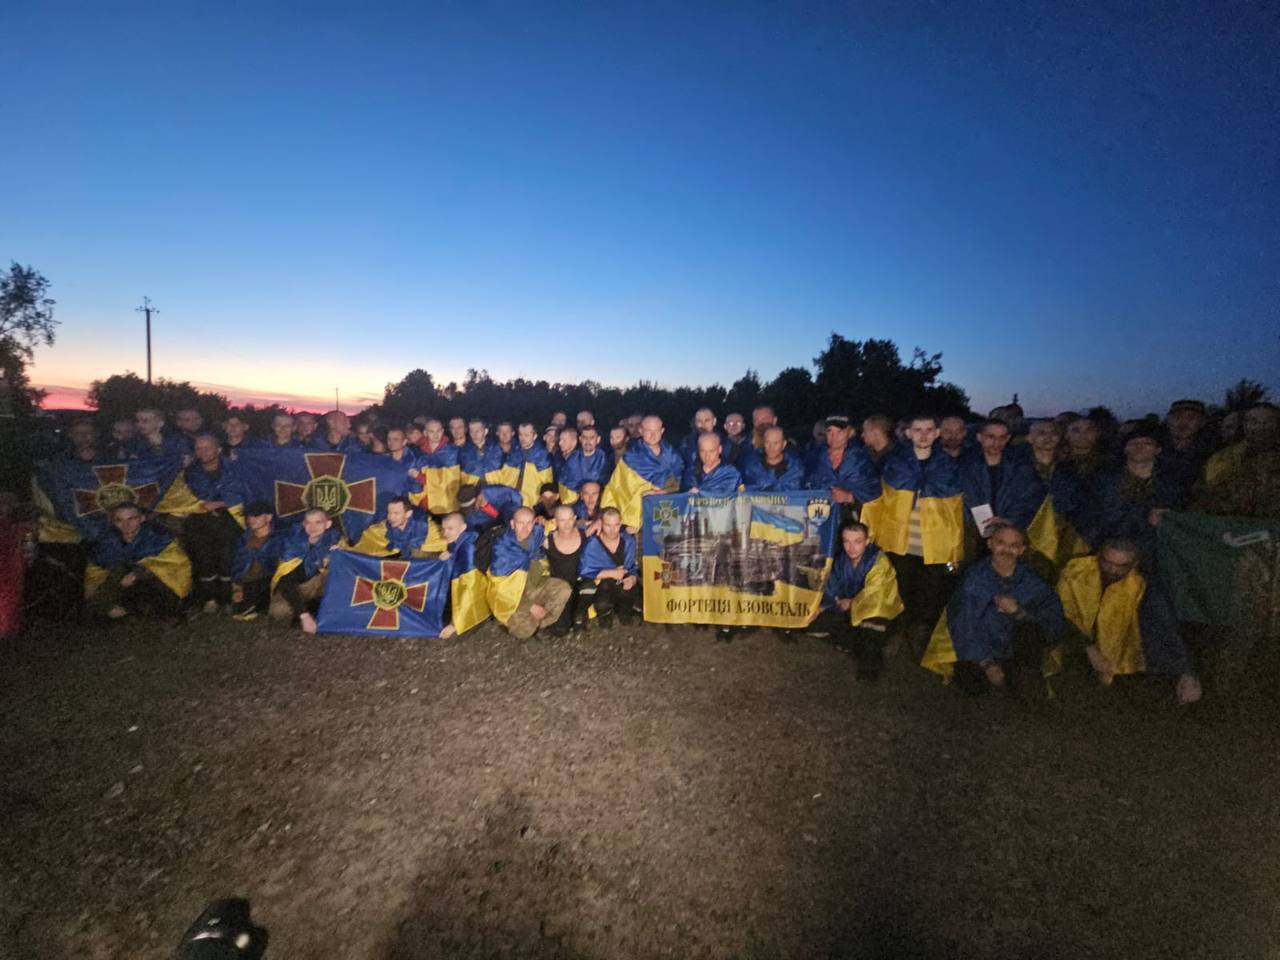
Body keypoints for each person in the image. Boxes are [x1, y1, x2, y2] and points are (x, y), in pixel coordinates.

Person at [921, 523, 1066, 694]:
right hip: (981, 644)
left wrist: (1018, 612)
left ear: (1022, 550)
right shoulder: (974, 578)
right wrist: (986, 663)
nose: (1006, 550)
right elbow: (963, 623)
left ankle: (1024, 675)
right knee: (972, 683)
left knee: (1030, 637)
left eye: (1014, 545)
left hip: (1013, 643)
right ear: (990, 544)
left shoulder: (1031, 579)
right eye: (1001, 543)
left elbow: (1052, 615)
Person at [862, 414, 964, 652]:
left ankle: (919, 639)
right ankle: (896, 635)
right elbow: (878, 502)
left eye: (929, 430)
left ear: (937, 434)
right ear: (908, 433)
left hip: (934, 546)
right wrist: (872, 535)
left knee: (928, 596)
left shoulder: (948, 467)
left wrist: (954, 549)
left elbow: (955, 512)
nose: (923, 435)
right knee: (897, 592)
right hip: (899, 543)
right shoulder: (894, 463)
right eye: (918, 430)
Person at [1057, 539, 1202, 705]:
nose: (1112, 570)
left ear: (1134, 564)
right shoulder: (1075, 572)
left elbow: (1164, 628)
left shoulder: (1141, 587)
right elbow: (1060, 614)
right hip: (1071, 649)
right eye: (1107, 562)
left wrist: (1187, 671)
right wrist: (1088, 648)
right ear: (1098, 556)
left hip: (1118, 663)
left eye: (1121, 566)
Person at [807, 522, 904, 681]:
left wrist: (852, 602)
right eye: (847, 541)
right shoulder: (841, 559)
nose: (851, 548)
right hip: (849, 608)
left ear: (867, 541)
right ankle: (856, 642)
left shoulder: (879, 561)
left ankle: (869, 666)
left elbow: (876, 595)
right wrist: (822, 607)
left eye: (857, 542)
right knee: (812, 622)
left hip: (878, 610)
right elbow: (832, 587)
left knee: (872, 627)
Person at [1076, 424, 1181, 568]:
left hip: (1153, 555)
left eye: (1147, 443)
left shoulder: (1172, 483)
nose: (1140, 447)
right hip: (1107, 550)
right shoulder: (1102, 480)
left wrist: (1165, 520)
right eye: (1134, 443)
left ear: (1158, 450)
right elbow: (1089, 517)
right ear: (1125, 449)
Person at [85, 503, 192, 620]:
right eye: (119, 520)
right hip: (124, 590)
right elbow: (97, 574)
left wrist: (138, 573)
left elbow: (174, 563)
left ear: (142, 518)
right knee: (116, 571)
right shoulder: (107, 543)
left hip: (156, 588)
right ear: (112, 522)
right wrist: (105, 605)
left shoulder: (157, 537)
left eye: (131, 519)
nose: (126, 525)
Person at [181, 434, 247, 613]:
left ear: (218, 449)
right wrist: (196, 507)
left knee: (228, 557)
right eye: (198, 448)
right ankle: (209, 598)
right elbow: (181, 497)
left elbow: (244, 492)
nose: (202, 452)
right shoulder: (189, 473)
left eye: (207, 448)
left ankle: (227, 598)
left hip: (229, 518)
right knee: (204, 558)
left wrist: (218, 503)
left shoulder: (234, 468)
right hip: (198, 520)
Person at [486, 506, 571, 640]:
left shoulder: (536, 535)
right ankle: (509, 622)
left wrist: (595, 522)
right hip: (513, 597)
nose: (525, 528)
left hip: (534, 585)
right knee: (524, 632)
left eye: (529, 523)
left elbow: (562, 524)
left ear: (534, 522)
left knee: (563, 589)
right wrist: (530, 606)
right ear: (513, 524)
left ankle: (540, 624)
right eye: (520, 523)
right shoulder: (503, 549)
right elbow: (500, 591)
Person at [959, 419, 1043, 547]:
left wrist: (1009, 520)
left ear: (1008, 438)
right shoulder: (963, 465)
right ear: (979, 437)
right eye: (991, 437)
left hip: (1010, 532)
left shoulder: (1021, 467)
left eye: (1002, 437)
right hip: (970, 533)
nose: (996, 443)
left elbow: (1032, 498)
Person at [601, 415, 685, 532]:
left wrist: (660, 492)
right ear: (641, 431)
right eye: (648, 431)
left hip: (666, 512)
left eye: (656, 431)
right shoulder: (631, 457)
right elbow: (616, 488)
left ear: (662, 431)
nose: (653, 435)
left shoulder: (673, 456)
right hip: (636, 519)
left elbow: (680, 486)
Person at [1196, 402, 1280, 519]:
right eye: (1254, 421)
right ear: (1244, 425)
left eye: (1269, 421)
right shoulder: (1222, 459)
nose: (1261, 427)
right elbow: (1204, 496)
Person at [269, 507, 342, 633]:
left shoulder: (334, 538)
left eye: (318, 522)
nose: (312, 527)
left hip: (322, 583)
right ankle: (307, 610)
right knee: (279, 611)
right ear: (303, 524)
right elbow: (286, 582)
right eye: (308, 523)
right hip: (300, 586)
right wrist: (304, 616)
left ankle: (322, 608)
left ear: (328, 524)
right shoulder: (292, 544)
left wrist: (339, 555)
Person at [804, 416, 881, 522]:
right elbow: (807, 486)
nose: (834, 437)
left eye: (839, 432)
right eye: (830, 431)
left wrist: (850, 497)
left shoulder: (860, 460)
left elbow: (874, 494)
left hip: (853, 520)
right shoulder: (815, 458)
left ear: (850, 433)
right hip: (822, 518)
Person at [578, 506, 640, 623]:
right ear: (601, 523)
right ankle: (605, 613)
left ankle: (623, 609)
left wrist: (632, 578)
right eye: (608, 525)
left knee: (627, 607)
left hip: (622, 580)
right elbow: (584, 570)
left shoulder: (628, 541)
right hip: (602, 583)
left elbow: (631, 566)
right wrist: (611, 573)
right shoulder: (592, 544)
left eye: (616, 525)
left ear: (620, 523)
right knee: (602, 604)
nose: (612, 530)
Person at [437, 511, 488, 639]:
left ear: (463, 528)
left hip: (476, 594)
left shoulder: (468, 548)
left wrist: (455, 624)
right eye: (443, 529)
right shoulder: (460, 541)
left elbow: (468, 587)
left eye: (450, 529)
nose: (445, 533)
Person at [229, 501, 284, 620]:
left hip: (269, 582)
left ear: (269, 517)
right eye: (249, 516)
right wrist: (237, 587)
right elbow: (237, 566)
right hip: (248, 583)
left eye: (256, 515)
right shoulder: (243, 540)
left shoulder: (279, 539)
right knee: (239, 608)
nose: (251, 519)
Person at [349, 495, 444, 557]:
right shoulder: (382, 529)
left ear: (408, 514)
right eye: (389, 513)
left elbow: (446, 542)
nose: (391, 517)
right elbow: (363, 545)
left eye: (396, 513)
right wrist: (344, 551)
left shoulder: (427, 528)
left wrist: (446, 554)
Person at [1158, 399, 1212, 504]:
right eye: (1177, 417)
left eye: (1191, 418)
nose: (1183, 422)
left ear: (1202, 422)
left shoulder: (1212, 454)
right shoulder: (1149, 450)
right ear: (1168, 420)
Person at [544, 503, 586, 635]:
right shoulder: (547, 540)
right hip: (559, 588)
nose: (567, 524)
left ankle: (581, 614)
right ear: (555, 521)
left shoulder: (585, 534)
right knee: (560, 630)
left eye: (569, 519)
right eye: (562, 520)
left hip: (580, 584)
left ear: (574, 519)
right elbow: (524, 543)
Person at [557, 424, 612, 504]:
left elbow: (607, 485)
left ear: (598, 440)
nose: (588, 441)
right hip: (574, 502)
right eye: (585, 438)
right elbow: (565, 484)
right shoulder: (572, 460)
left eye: (591, 438)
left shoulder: (604, 460)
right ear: (580, 439)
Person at [415, 418, 460, 514]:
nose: (435, 435)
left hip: (447, 505)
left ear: (442, 431)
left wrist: (421, 477)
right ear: (425, 433)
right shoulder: (418, 454)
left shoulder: (453, 452)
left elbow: (451, 481)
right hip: (425, 505)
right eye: (431, 431)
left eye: (438, 431)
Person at [742, 425, 806, 492]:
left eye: (776, 443)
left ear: (784, 444)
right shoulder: (750, 466)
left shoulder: (796, 468)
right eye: (767, 442)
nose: (771, 447)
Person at [509, 422, 555, 507]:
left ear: (534, 436)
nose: (522, 438)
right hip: (512, 499)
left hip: (533, 502)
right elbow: (506, 476)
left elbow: (547, 482)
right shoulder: (514, 451)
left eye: (526, 435)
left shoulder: (542, 455)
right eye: (520, 435)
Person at [457, 483, 523, 532]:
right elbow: (471, 531)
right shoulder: (469, 516)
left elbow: (515, 496)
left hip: (507, 515)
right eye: (467, 509)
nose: (471, 510)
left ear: (479, 497)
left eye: (472, 506)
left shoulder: (495, 492)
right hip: (490, 529)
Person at [459, 419, 503, 485]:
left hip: (493, 488)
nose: (474, 435)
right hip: (471, 488)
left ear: (485, 431)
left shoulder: (497, 449)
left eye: (478, 431)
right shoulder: (463, 451)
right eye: (472, 431)